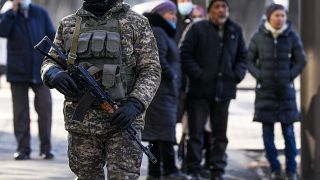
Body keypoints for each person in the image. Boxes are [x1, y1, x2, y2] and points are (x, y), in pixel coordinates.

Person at [40, 0, 161, 179]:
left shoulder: (136, 22)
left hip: (122, 120)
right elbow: (50, 60)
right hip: (82, 123)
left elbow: (151, 69)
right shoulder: (69, 24)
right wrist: (53, 74)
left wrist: (136, 103)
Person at [179, 0, 247, 179]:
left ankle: (217, 169)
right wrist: (198, 75)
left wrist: (236, 75)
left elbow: (243, 56)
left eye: (224, 7)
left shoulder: (235, 29)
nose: (221, 10)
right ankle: (193, 169)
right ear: (210, 11)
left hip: (224, 90)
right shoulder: (197, 28)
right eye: (217, 7)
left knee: (220, 134)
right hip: (199, 90)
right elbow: (184, 53)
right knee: (195, 132)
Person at [247, 4, 306, 180]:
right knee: (267, 134)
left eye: (282, 15)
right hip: (265, 92)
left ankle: (291, 169)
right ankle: (274, 167)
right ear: (269, 17)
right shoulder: (258, 37)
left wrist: (289, 76)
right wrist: (260, 76)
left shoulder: (291, 37)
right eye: (276, 15)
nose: (280, 18)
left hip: (285, 93)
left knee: (289, 133)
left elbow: (301, 60)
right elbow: (249, 61)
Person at [0, 0, 55, 160]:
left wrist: (49, 60)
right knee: (20, 112)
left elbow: (51, 36)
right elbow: (2, 31)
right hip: (18, 71)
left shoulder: (40, 12)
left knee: (45, 108)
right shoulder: (9, 14)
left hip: (40, 70)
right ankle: (23, 149)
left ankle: (46, 148)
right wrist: (12, 12)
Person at [141, 1, 188, 180]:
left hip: (165, 91)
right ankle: (169, 170)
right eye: (170, 13)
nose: (174, 16)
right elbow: (158, 59)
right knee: (166, 131)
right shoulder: (159, 31)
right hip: (161, 91)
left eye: (175, 14)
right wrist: (173, 76)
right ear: (160, 14)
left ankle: (154, 173)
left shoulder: (164, 33)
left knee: (156, 133)